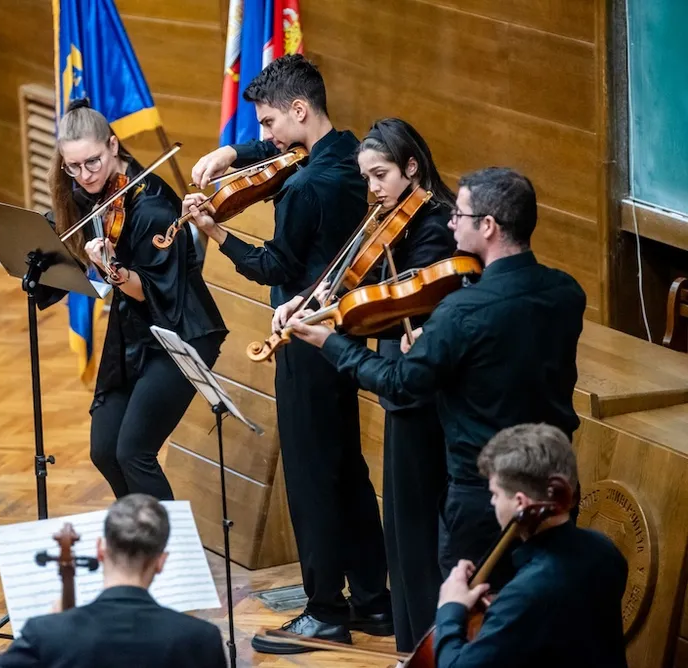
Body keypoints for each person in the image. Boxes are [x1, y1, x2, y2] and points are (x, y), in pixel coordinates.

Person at [287, 167, 586, 588]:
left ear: (488, 226)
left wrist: (329, 343)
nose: (450, 223)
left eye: (459, 216)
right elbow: (505, 358)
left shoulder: (461, 311)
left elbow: (398, 382)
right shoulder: (567, 292)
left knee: (474, 625)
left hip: (487, 497)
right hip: (555, 483)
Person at [183, 54, 391, 650]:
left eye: (269, 123)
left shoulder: (303, 188)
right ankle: (374, 601)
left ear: (299, 111)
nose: (264, 136)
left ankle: (325, 609)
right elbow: (282, 154)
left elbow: (272, 266)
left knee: (308, 476)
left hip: (304, 341)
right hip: (344, 338)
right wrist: (234, 155)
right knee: (346, 467)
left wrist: (216, 233)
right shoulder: (352, 154)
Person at [280, 118, 456, 652]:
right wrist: (309, 300)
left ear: (411, 167)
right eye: (366, 179)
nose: (373, 189)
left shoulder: (436, 225)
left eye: (380, 175)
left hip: (429, 391)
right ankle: (409, 640)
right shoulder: (389, 220)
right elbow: (358, 285)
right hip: (399, 384)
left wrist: (331, 320)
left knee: (420, 523)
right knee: (400, 521)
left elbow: (394, 299)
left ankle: (428, 643)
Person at [42, 100, 226, 501]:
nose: (83, 175)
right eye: (72, 166)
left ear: (113, 145)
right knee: (105, 450)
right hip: (135, 330)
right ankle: (142, 542)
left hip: (183, 331)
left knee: (134, 452)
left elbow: (151, 291)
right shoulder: (89, 191)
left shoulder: (154, 206)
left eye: (91, 162)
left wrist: (114, 271)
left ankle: (175, 557)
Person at [433, 423, 627, 667]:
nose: (492, 502)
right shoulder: (605, 551)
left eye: (495, 493)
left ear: (520, 502)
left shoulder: (528, 593)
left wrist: (450, 608)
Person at [0, 494, 227, 668]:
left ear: (100, 550)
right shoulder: (201, 638)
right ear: (161, 561)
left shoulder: (45, 632)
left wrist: (53, 629)